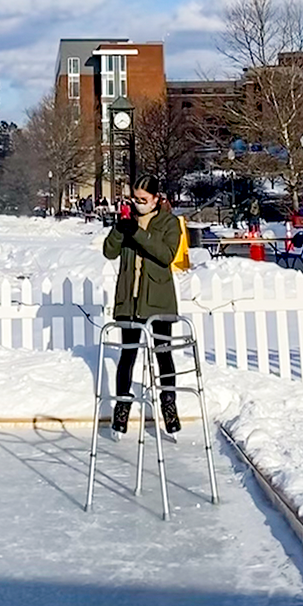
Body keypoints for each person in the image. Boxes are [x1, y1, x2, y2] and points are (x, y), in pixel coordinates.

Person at [102, 174, 184, 436]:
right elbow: (109, 252)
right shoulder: (129, 221)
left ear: (156, 199)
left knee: (163, 353)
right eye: (134, 199)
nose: (138, 204)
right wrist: (119, 229)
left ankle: (168, 406)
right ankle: (122, 407)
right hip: (130, 299)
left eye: (143, 200)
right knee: (128, 355)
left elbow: (165, 254)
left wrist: (137, 233)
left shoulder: (169, 223)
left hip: (157, 300)